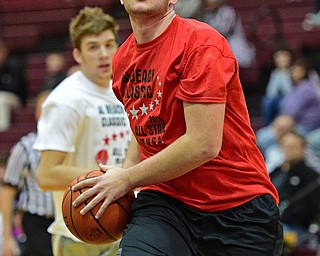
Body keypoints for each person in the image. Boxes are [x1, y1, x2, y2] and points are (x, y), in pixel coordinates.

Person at [72, 1, 283, 255]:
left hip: (237, 207)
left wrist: (127, 179)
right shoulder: (122, 60)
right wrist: (121, 175)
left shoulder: (201, 44)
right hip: (166, 203)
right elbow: (144, 129)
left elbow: (203, 144)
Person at [33, 7, 132, 256]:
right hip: (80, 232)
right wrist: (112, 179)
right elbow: (46, 175)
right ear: (77, 54)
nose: (103, 54)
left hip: (125, 221)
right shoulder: (66, 99)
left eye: (109, 44)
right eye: (93, 47)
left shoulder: (126, 89)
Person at [0, 90, 54, 256]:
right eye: (45, 109)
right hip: (37, 222)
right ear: (37, 113)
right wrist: (7, 237)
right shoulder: (24, 147)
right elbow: (8, 191)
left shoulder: (74, 145)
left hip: (65, 220)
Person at [269, 131, 320, 252]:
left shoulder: (311, 177)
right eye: (286, 146)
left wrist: (281, 216)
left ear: (303, 149)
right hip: (270, 221)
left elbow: (309, 209)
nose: (289, 150)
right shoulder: (275, 171)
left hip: (294, 227)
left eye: (293, 146)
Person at [202, 0, 256, 67]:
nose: (210, 4)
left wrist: (211, 33)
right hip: (218, 47)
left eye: (213, 2)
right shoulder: (208, 15)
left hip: (234, 44)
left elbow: (225, 31)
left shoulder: (229, 11)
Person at [279, 57, 320, 135]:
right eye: (293, 71)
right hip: (296, 124)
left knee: (267, 138)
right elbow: (283, 107)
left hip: (307, 126)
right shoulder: (296, 87)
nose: (294, 74)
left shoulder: (306, 88)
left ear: (305, 72)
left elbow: (291, 111)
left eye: (298, 71)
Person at [260, 44, 294, 126]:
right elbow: (270, 93)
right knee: (267, 101)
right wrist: (281, 72)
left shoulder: (297, 70)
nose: (281, 59)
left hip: (293, 99)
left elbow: (290, 91)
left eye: (284, 56)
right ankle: (268, 126)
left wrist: (285, 73)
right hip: (279, 100)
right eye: (278, 57)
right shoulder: (276, 73)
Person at [0, 38, 26, 131]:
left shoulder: (14, 66)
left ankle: (2, 133)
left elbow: (16, 88)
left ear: (4, 50)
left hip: (15, 98)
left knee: (1, 100)